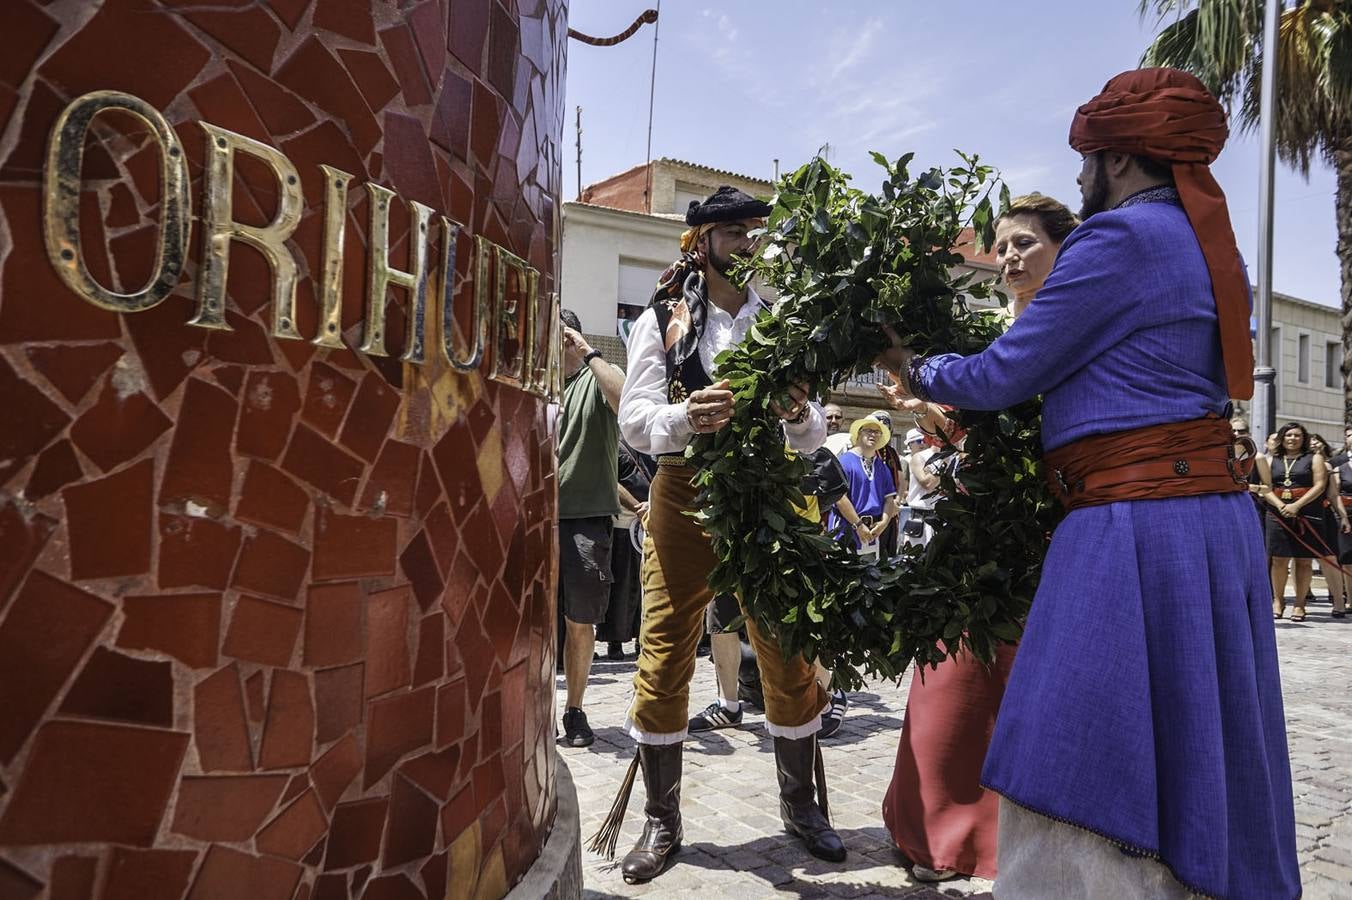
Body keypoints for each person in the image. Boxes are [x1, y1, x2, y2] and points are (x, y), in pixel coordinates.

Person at [878, 68, 1297, 898]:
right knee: (1198, 749)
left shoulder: (1122, 238)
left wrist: (911, 364)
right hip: (1209, 527)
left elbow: (1008, 371)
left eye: (1087, 157)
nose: (1077, 177)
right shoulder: (1213, 248)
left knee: (1079, 752)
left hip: (1129, 526)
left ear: (1120, 157)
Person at [593, 186, 844, 883]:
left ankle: (801, 807)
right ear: (698, 243)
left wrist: (797, 413)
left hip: (767, 494)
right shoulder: (663, 319)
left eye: (754, 233)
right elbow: (636, 419)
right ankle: (661, 820)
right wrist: (685, 416)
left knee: (787, 649)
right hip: (683, 493)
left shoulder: (780, 321)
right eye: (734, 232)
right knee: (667, 649)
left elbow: (814, 430)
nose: (748, 244)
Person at [882, 193, 1078, 884]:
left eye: (1025, 242)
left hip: (1052, 534)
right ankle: (935, 834)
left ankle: (1010, 842)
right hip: (971, 531)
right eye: (1002, 246)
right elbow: (975, 435)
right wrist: (930, 415)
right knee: (950, 684)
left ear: (1063, 248)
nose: (1010, 257)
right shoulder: (991, 333)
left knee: (1023, 692)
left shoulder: (1076, 327)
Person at [556, 309, 627, 747]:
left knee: (580, 622)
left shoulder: (596, 375)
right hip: (530, 517)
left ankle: (575, 710)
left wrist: (587, 352)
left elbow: (626, 402)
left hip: (583, 518)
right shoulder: (532, 377)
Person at [1264, 422, 1328, 622]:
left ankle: (1300, 604)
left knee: (1303, 561)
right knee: (1278, 560)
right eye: (1289, 435)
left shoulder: (1314, 458)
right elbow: (1266, 487)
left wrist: (1296, 506)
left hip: (1306, 512)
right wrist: (1281, 505)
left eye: (1297, 435)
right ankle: (1278, 600)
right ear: (1282, 438)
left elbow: (1319, 485)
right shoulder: (1270, 459)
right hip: (1278, 513)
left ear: (1304, 438)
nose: (1292, 438)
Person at [598, 440, 652, 660]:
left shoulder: (650, 450)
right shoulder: (616, 446)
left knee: (645, 584)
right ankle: (615, 640)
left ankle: (643, 638)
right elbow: (612, 481)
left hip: (649, 521)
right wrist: (637, 508)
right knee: (621, 584)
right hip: (624, 521)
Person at [829, 414, 898, 559]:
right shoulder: (844, 462)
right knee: (845, 575)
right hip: (846, 528)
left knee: (869, 576)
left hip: (872, 532)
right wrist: (858, 525)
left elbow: (889, 500)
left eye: (877, 432)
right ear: (859, 432)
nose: (873, 435)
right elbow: (840, 498)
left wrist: (884, 522)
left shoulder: (881, 466)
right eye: (869, 430)